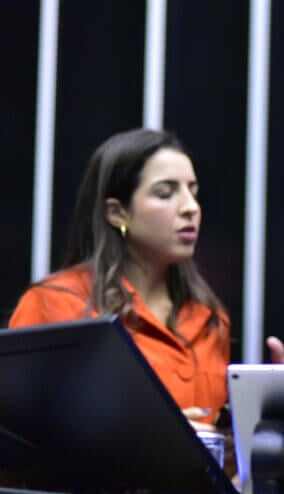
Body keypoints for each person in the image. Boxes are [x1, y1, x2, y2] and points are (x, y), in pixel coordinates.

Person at [10, 128, 229, 432]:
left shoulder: (209, 318)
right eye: (166, 193)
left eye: (193, 191)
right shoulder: (54, 304)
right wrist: (146, 437)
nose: (190, 207)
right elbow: (19, 434)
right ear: (117, 213)